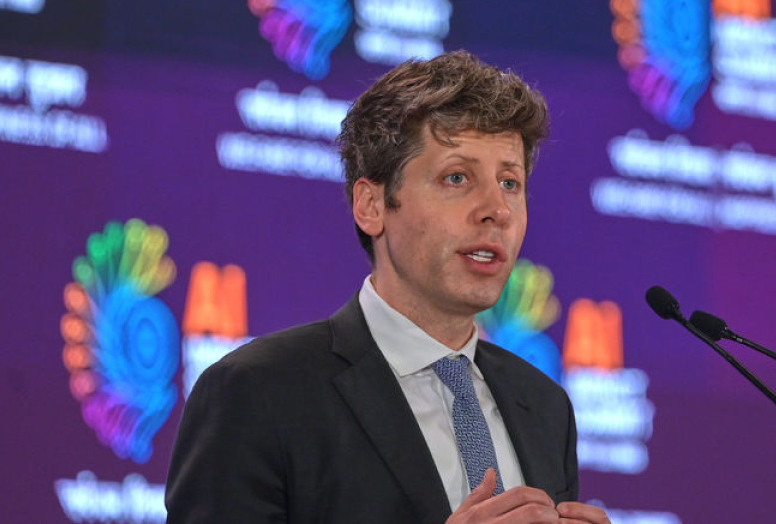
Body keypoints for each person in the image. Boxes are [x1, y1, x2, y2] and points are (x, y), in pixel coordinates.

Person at [165, 51, 610, 524]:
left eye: (509, 182)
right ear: (372, 206)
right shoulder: (258, 392)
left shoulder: (544, 406)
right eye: (457, 177)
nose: (496, 210)